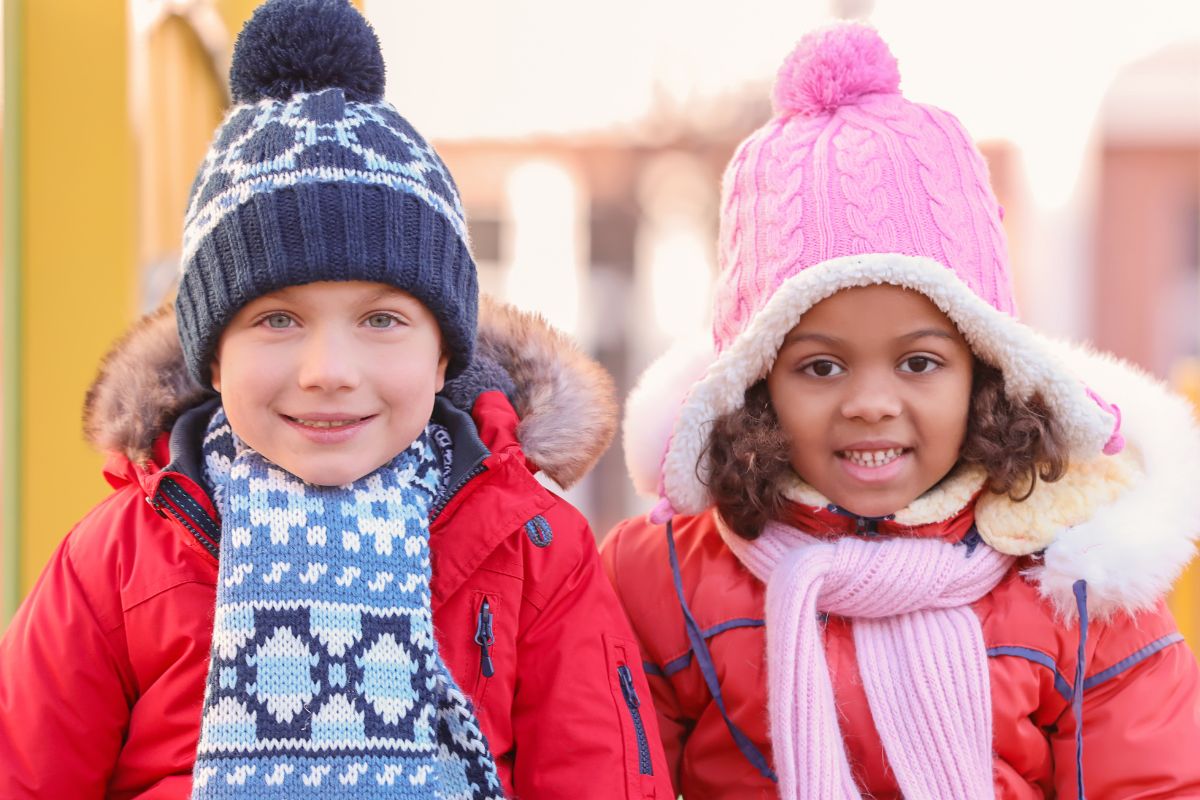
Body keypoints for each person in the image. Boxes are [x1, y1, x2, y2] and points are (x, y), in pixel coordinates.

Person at [0, 1, 673, 797]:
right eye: (277, 319)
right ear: (212, 357)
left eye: (381, 320)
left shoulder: (531, 551)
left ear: (443, 357)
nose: (328, 369)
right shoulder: (118, 561)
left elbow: (595, 775)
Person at [602, 22, 1200, 799]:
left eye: (920, 362)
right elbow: (609, 769)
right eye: (820, 366)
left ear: (985, 373)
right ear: (754, 385)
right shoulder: (671, 580)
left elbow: (1151, 782)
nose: (872, 403)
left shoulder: (1073, 582)